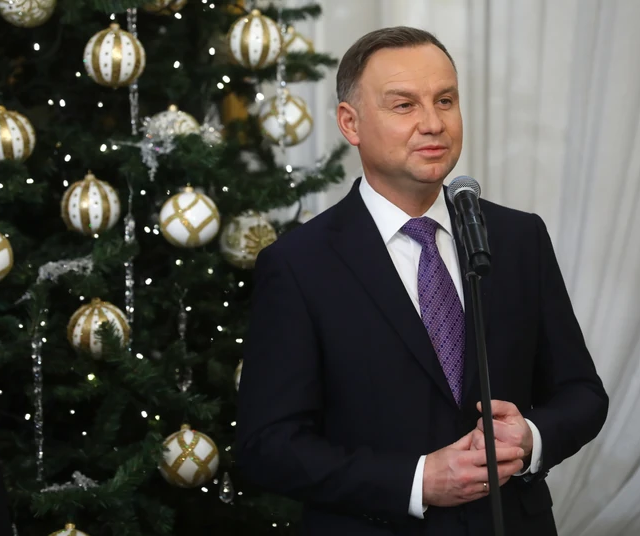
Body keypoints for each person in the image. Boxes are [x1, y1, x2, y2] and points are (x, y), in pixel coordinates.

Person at [236, 26, 608, 535]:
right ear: (350, 123)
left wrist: (530, 438)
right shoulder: (299, 264)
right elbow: (268, 446)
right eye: (404, 105)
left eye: (445, 101)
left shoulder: (517, 238)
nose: (433, 123)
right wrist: (416, 481)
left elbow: (581, 393)